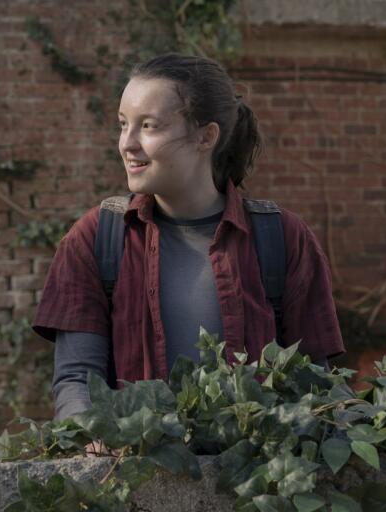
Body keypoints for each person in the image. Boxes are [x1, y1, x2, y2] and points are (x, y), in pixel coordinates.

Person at [33, 53, 344, 425]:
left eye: (148, 126)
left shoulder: (283, 238)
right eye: (122, 125)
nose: (127, 144)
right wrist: (92, 440)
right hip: (138, 476)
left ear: (206, 136)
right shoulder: (96, 238)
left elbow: (316, 384)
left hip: (256, 480)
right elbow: (76, 379)